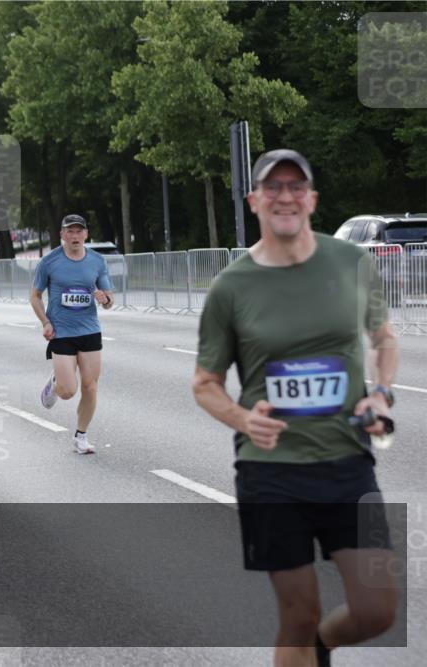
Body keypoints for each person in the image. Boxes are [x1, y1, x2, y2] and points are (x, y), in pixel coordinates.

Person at [192, 149, 397, 667]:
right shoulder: (230, 287)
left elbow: (384, 338)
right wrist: (243, 419)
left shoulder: (351, 262)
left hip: (348, 464)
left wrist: (381, 393)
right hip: (271, 473)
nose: (285, 196)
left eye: (296, 186)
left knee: (377, 611)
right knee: (299, 614)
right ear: (254, 200)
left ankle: (321, 648)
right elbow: (205, 384)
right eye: (273, 187)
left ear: (312, 199)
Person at [31, 214, 114, 454]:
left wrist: (105, 299)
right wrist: (45, 322)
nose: (75, 236)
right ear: (62, 235)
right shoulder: (49, 262)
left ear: (86, 234)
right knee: (68, 391)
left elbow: (109, 300)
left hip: (90, 330)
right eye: (70, 231)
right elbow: (35, 296)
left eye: (79, 231)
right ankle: (56, 382)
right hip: (61, 332)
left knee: (90, 387)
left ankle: (81, 436)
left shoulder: (97, 261)